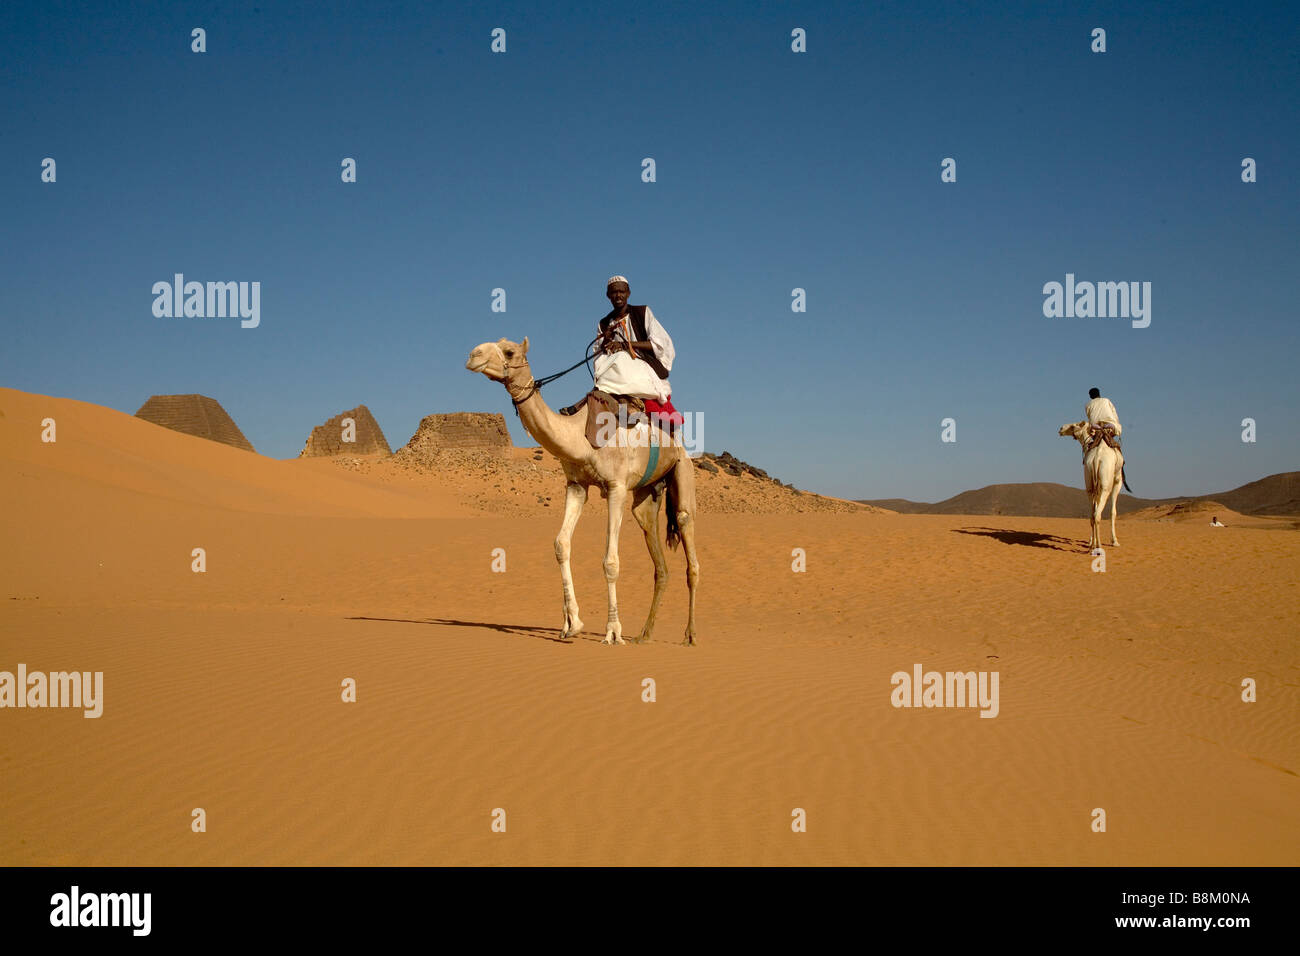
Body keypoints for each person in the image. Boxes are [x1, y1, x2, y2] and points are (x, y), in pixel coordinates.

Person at [561, 275, 684, 433]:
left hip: (642, 364)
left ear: (628, 293)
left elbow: (661, 344)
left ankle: (586, 402)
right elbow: (599, 353)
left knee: (621, 357)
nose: (618, 296)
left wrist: (626, 345)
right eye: (614, 292)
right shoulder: (604, 323)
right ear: (608, 295)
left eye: (621, 292)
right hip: (614, 368)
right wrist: (606, 340)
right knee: (613, 362)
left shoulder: (642, 313)